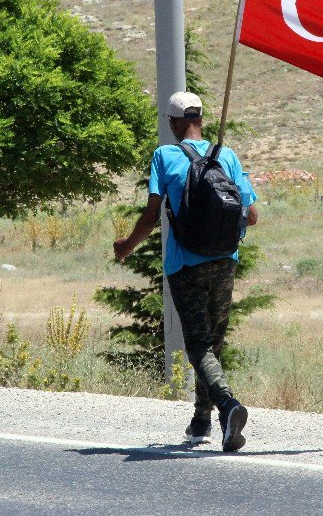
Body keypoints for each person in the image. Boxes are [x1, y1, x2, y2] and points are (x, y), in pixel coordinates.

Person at [114, 91, 258, 452]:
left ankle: (227, 406)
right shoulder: (227, 155)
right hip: (226, 261)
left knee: (197, 343)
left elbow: (151, 215)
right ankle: (201, 421)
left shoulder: (165, 156)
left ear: (174, 122)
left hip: (184, 264)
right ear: (201, 120)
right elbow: (253, 216)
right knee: (213, 344)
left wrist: (127, 246)